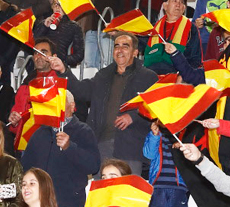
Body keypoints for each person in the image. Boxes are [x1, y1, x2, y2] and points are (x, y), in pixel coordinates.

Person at [51, 32, 158, 173]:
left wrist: (133, 116)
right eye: (116, 46)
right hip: (101, 145)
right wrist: (64, 70)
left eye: (125, 46)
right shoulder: (103, 75)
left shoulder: (148, 77)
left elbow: (155, 107)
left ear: (135, 52)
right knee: (101, 193)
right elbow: (80, 90)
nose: (119, 50)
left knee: (127, 193)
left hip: (131, 148)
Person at [145, 0, 202, 74]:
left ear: (184, 8)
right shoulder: (153, 29)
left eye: (181, 2)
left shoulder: (190, 28)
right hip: (152, 73)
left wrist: (185, 75)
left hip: (177, 73)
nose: (178, 5)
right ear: (165, 6)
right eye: (174, 1)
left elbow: (195, 58)